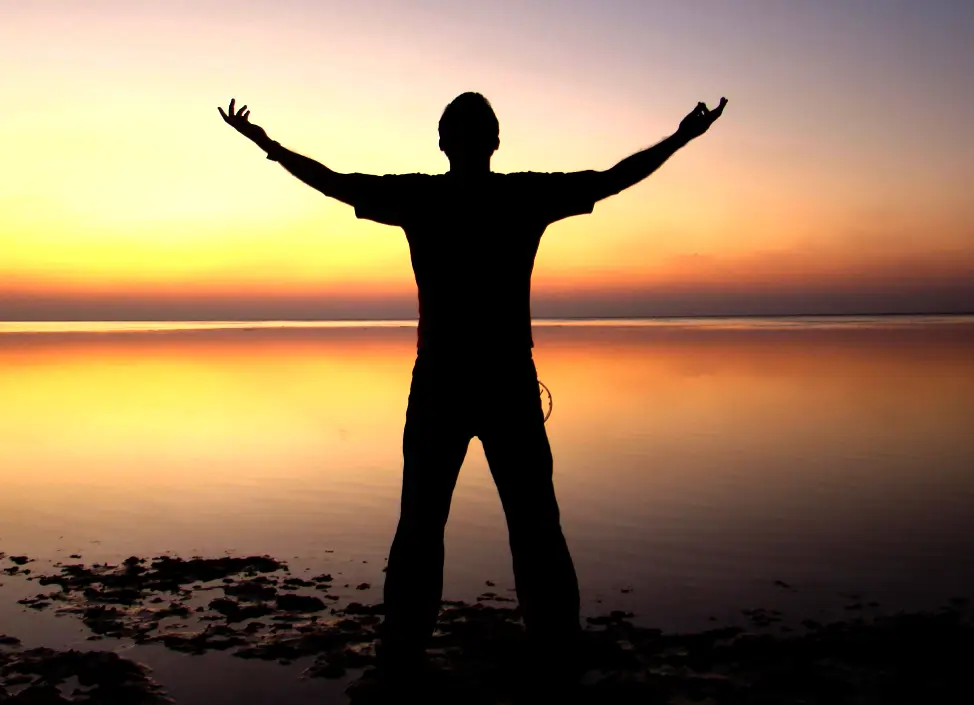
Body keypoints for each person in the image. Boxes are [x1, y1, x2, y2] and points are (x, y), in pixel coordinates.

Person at [219, 92, 727, 689]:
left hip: (451, 381)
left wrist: (268, 146)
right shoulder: (519, 195)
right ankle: (547, 649)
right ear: (493, 142)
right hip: (495, 381)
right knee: (527, 523)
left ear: (445, 143)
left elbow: (334, 182)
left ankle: (409, 654)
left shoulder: (426, 196)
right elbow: (613, 179)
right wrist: (678, 139)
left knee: (432, 524)